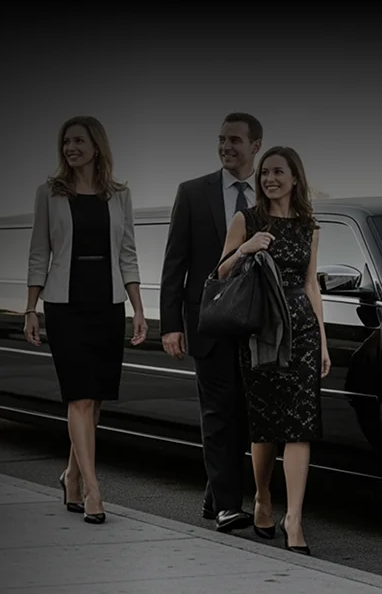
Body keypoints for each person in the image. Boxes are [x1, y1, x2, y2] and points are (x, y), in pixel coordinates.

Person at [22, 115, 147, 525]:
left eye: (78, 140)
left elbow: (127, 253)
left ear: (96, 145)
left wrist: (138, 308)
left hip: (108, 304)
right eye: (65, 142)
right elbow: (39, 252)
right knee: (78, 396)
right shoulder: (49, 193)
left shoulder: (120, 194)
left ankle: (72, 476)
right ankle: (94, 491)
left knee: (95, 403)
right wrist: (31, 308)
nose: (70, 148)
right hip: (65, 305)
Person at [215, 146, 327, 555]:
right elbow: (220, 271)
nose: (269, 178)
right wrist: (246, 248)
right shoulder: (247, 219)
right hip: (261, 330)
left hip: (301, 330)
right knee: (265, 426)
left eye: (278, 172)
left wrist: (323, 341)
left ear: (295, 177)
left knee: (300, 427)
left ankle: (294, 518)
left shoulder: (309, 225)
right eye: (264, 172)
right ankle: (262, 496)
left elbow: (312, 284)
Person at [161, 113, 262, 532]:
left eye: (235, 140)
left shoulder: (271, 194)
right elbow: (175, 262)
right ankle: (227, 505)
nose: (226, 147)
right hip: (209, 321)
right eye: (221, 140)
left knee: (247, 413)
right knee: (218, 412)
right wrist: (170, 324)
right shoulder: (192, 193)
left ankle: (214, 493)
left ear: (255, 144)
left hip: (257, 324)